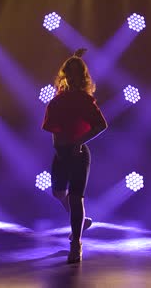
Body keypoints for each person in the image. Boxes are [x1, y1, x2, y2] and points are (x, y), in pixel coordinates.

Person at [42, 48, 108, 264]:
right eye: (67, 72)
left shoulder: (83, 100)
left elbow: (101, 125)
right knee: (58, 193)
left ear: (81, 77)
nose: (70, 76)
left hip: (78, 154)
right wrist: (74, 57)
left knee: (75, 197)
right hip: (60, 153)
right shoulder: (60, 99)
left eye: (75, 73)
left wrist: (79, 141)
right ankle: (80, 223)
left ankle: (76, 243)